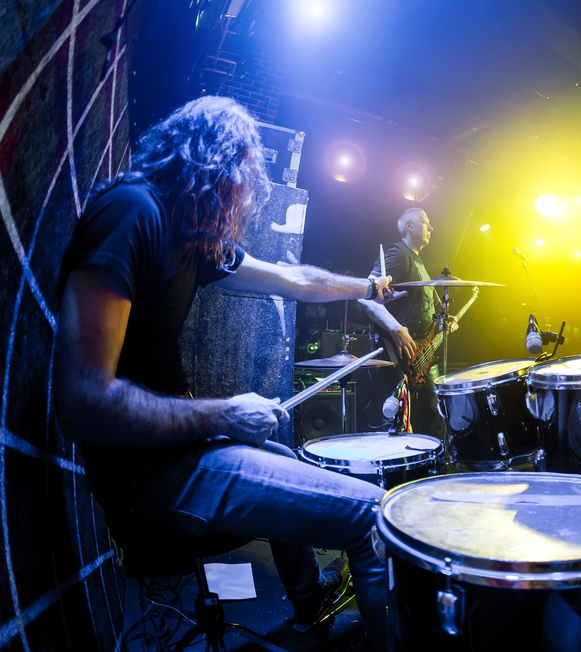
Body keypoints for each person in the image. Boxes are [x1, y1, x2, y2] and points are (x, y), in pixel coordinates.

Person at [54, 96, 391, 649]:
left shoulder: (192, 238)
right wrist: (226, 413)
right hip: (147, 478)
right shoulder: (132, 214)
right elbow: (83, 399)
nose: (245, 200)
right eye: (246, 182)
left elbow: (296, 280)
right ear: (220, 166)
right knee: (373, 515)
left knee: (284, 460)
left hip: (175, 457)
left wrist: (367, 288)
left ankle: (309, 601)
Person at [359, 208, 453, 438]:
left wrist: (444, 320)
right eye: (425, 222)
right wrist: (396, 329)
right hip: (400, 355)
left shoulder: (418, 261)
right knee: (398, 419)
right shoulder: (397, 253)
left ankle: (431, 469)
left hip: (423, 353)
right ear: (409, 226)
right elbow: (366, 294)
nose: (430, 228)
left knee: (432, 414)